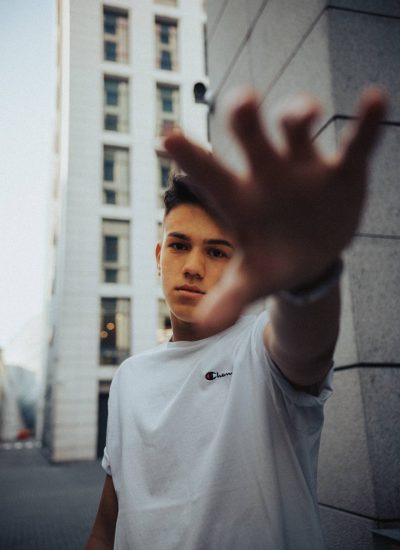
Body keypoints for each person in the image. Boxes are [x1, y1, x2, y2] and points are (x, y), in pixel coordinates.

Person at [86, 88, 387, 549]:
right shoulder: (129, 378)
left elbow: (304, 345)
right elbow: (107, 526)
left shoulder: (261, 348)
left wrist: (308, 275)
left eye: (216, 251)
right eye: (179, 245)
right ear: (159, 255)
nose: (192, 266)